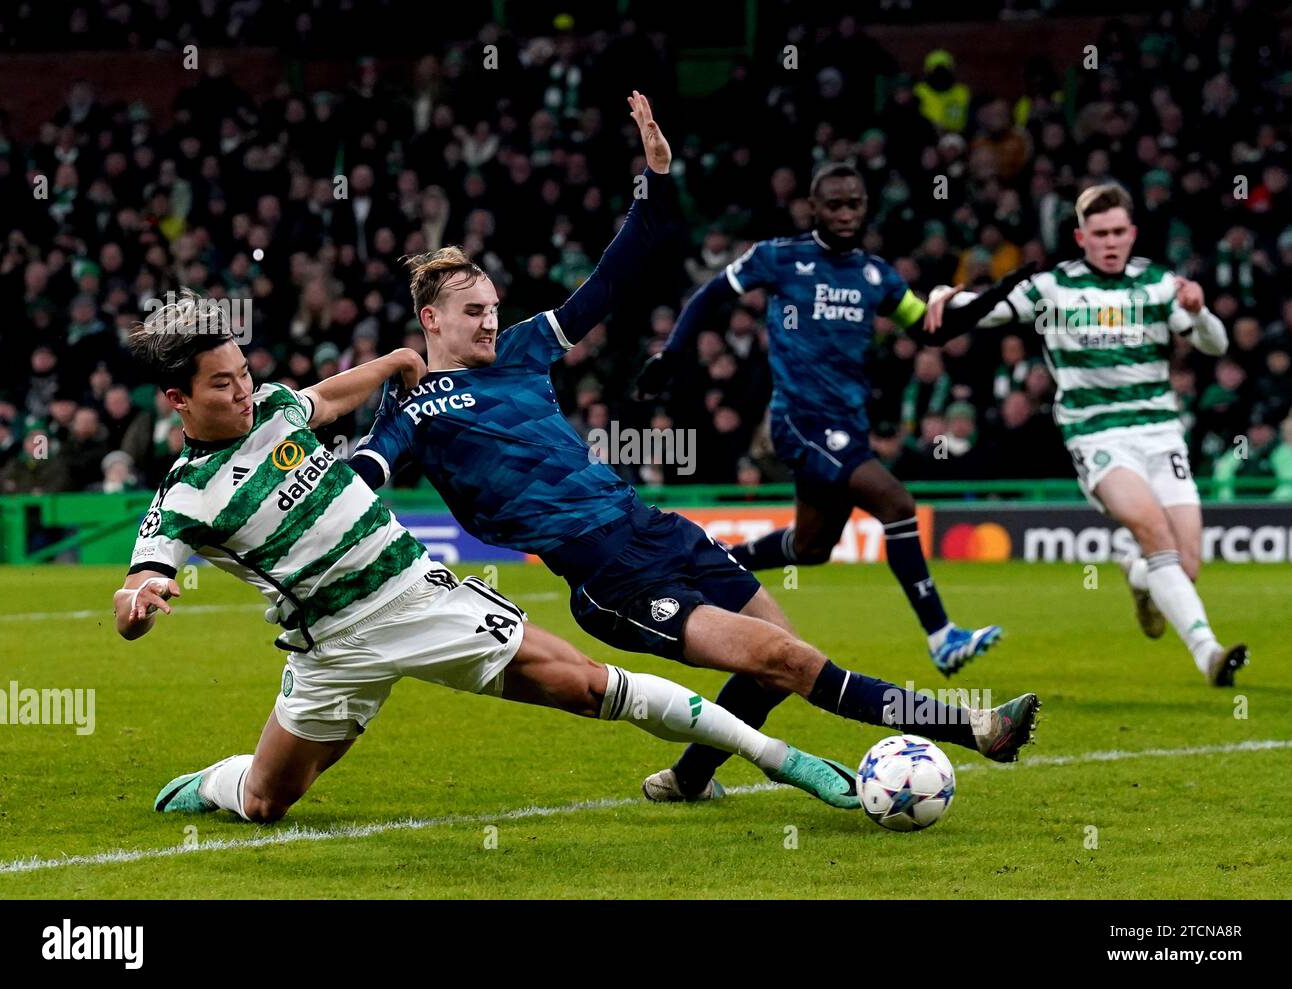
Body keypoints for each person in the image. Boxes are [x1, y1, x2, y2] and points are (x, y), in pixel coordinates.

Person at [349, 95, 1040, 804]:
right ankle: (974, 726)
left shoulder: (523, 349)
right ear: (430, 319)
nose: (492, 320)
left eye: (494, 306)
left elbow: (610, 280)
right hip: (608, 575)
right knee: (787, 658)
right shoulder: (413, 403)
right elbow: (368, 468)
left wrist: (653, 178)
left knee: (780, 657)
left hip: (657, 528)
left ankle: (688, 777)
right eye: (475, 312)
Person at [117, 292, 889, 822]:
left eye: (245, 373)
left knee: (590, 685)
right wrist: (140, 603)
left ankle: (780, 757)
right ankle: (212, 784)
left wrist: (389, 365)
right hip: (331, 645)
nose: (246, 391)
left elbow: (325, 396)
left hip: (419, 596)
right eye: (224, 385)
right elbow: (143, 574)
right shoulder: (184, 498)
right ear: (178, 401)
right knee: (265, 803)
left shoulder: (276, 405)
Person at [637, 162, 1027, 675]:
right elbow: (712, 294)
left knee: (811, 546)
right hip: (800, 421)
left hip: (847, 425)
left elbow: (932, 330)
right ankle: (942, 636)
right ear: (814, 208)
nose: (846, 213)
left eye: (855, 204)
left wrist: (998, 294)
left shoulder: (876, 276)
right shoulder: (780, 258)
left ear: (865, 208)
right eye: (835, 204)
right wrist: (672, 352)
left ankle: (710, 562)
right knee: (896, 502)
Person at [924, 182, 1248, 686]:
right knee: (1154, 532)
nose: (1111, 242)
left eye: (1119, 231)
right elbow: (989, 308)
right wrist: (950, 295)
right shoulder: (1054, 289)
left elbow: (1216, 344)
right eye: (1100, 233)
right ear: (1081, 237)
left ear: (1133, 232)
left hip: (1161, 434)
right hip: (1097, 435)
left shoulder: (1161, 285)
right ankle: (1208, 653)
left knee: (1185, 565)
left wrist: (1201, 311)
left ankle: (1139, 577)